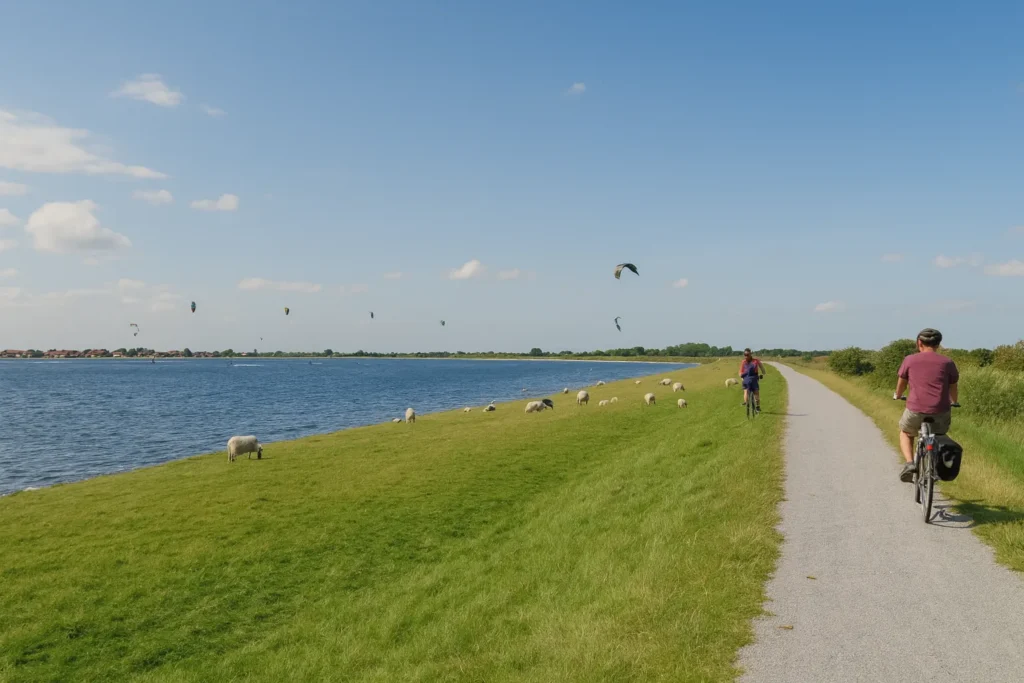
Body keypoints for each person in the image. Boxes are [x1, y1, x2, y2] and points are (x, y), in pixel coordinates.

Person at [893, 328, 959, 482]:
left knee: (906, 432)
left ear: (919, 343)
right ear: (938, 344)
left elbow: (902, 382)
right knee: (938, 435)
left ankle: (910, 463)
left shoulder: (909, 360)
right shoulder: (947, 362)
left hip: (915, 409)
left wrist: (898, 395)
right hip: (940, 410)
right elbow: (953, 385)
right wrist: (954, 402)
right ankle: (934, 464)